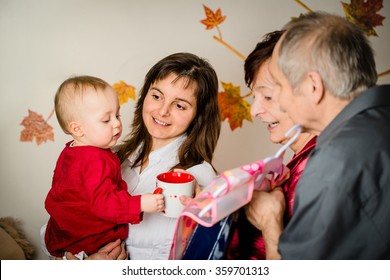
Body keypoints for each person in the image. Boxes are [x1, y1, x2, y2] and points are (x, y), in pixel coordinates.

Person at [250, 11, 390, 259]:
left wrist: (270, 222)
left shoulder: (333, 164)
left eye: (279, 88)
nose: (280, 100)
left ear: (313, 87)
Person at [112, 52, 221, 259]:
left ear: (198, 116)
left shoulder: (198, 178)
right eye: (156, 96)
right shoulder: (110, 157)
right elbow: (59, 225)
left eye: (179, 105)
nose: (162, 111)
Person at [43, 75, 164, 258]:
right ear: (77, 129)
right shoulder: (96, 160)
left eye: (117, 115)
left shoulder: (71, 151)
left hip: (64, 235)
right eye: (106, 120)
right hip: (90, 239)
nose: (117, 123)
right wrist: (140, 203)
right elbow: (104, 203)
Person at [224, 31, 316, 260]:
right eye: (254, 97)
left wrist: (270, 222)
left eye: (267, 97)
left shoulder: (319, 172)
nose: (255, 110)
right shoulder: (300, 162)